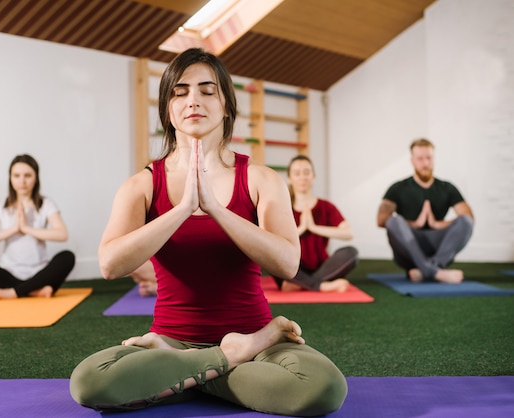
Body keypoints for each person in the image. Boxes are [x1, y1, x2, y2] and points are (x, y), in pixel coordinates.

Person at [69, 48, 347, 416]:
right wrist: (182, 209)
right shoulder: (142, 185)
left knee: (323, 387)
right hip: (172, 341)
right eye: (180, 92)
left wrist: (216, 209)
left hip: (256, 339)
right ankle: (227, 360)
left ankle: (180, 379)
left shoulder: (261, 180)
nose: (193, 100)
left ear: (227, 105)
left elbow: (288, 264)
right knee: (90, 381)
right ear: (168, 109)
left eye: (207, 90)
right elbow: (110, 264)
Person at [0, 154, 75, 300]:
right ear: (10, 178)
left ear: (36, 178)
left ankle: (13, 292)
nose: (22, 181)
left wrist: (27, 229)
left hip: (39, 273)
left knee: (67, 257)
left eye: (27, 175)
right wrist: (14, 229)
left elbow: (62, 234)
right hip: (9, 273)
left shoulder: (46, 204)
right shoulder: (0, 205)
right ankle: (32, 290)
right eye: (16, 176)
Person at [376, 138, 474, 283]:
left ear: (434, 159)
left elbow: (468, 217)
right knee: (394, 221)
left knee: (466, 222)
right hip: (409, 248)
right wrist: (416, 224)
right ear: (412, 161)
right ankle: (434, 271)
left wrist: (437, 224)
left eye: (429, 158)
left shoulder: (447, 188)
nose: (425, 163)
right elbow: (381, 220)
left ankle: (427, 270)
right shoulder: (398, 188)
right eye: (420, 159)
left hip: (438, 247)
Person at [273, 155, 358, 293]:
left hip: (322, 267)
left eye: (307, 173)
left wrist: (314, 228)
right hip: (293, 267)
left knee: (351, 253)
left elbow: (348, 233)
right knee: (271, 256)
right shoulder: (282, 207)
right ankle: (321, 285)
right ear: (289, 178)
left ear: (313, 177)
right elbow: (274, 241)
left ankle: (302, 283)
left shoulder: (326, 207)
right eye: (297, 173)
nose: (303, 177)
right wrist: (300, 229)